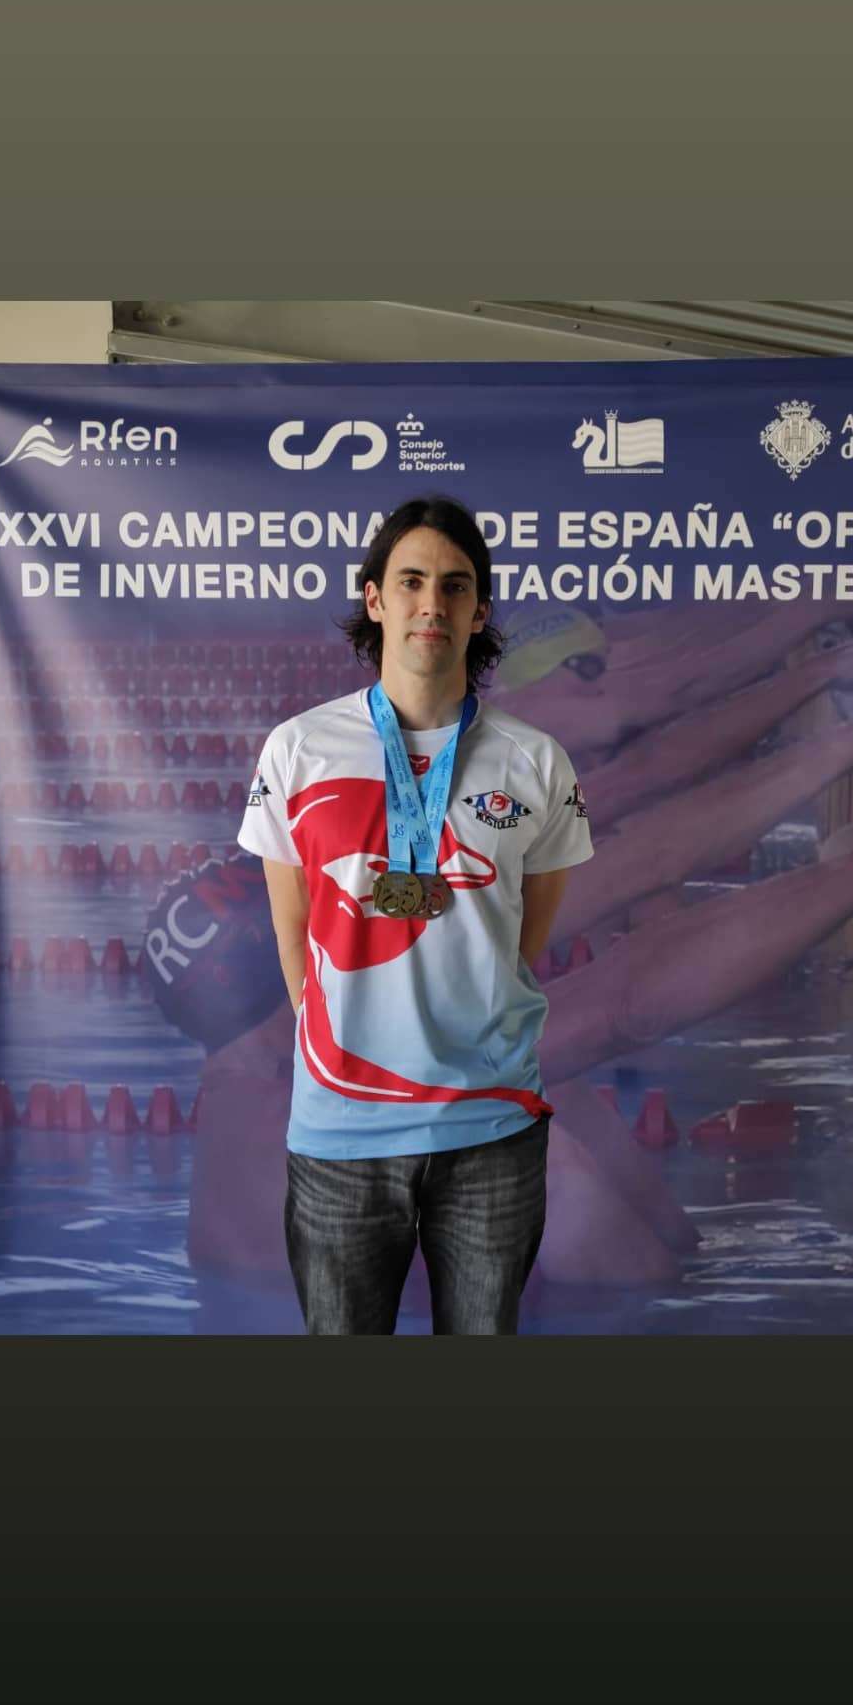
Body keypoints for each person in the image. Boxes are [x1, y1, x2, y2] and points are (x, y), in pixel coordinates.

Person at [234, 497, 595, 1335]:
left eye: (455, 585)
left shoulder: (536, 762)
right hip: (341, 1131)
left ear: (480, 611)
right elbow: (293, 929)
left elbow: (521, 936)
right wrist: (341, 1043)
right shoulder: (298, 749)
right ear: (375, 599)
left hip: (490, 1128)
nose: (433, 603)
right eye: (411, 582)